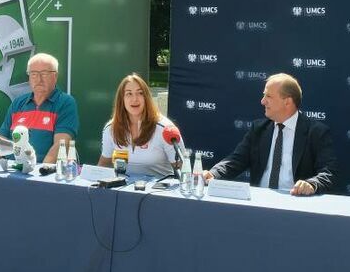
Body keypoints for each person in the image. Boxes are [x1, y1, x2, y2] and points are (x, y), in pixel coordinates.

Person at [206, 73, 336, 196]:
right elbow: (235, 161)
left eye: (268, 96)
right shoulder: (258, 129)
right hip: (260, 202)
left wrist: (311, 185)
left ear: (287, 102)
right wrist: (213, 174)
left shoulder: (316, 132)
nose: (262, 101)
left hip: (296, 203)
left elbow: (328, 173)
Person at [0, 52, 77, 164]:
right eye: (34, 74)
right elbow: (1, 139)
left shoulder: (65, 102)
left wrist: (39, 174)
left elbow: (61, 144)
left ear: (55, 76)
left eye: (44, 74)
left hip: (43, 174)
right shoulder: (18, 103)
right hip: (11, 171)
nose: (39, 79)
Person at [98, 73, 184, 177]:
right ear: (122, 100)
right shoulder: (110, 129)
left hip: (158, 191)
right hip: (121, 190)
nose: (135, 99)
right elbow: (103, 165)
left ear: (146, 98)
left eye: (140, 93)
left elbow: (183, 169)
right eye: (129, 94)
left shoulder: (165, 129)